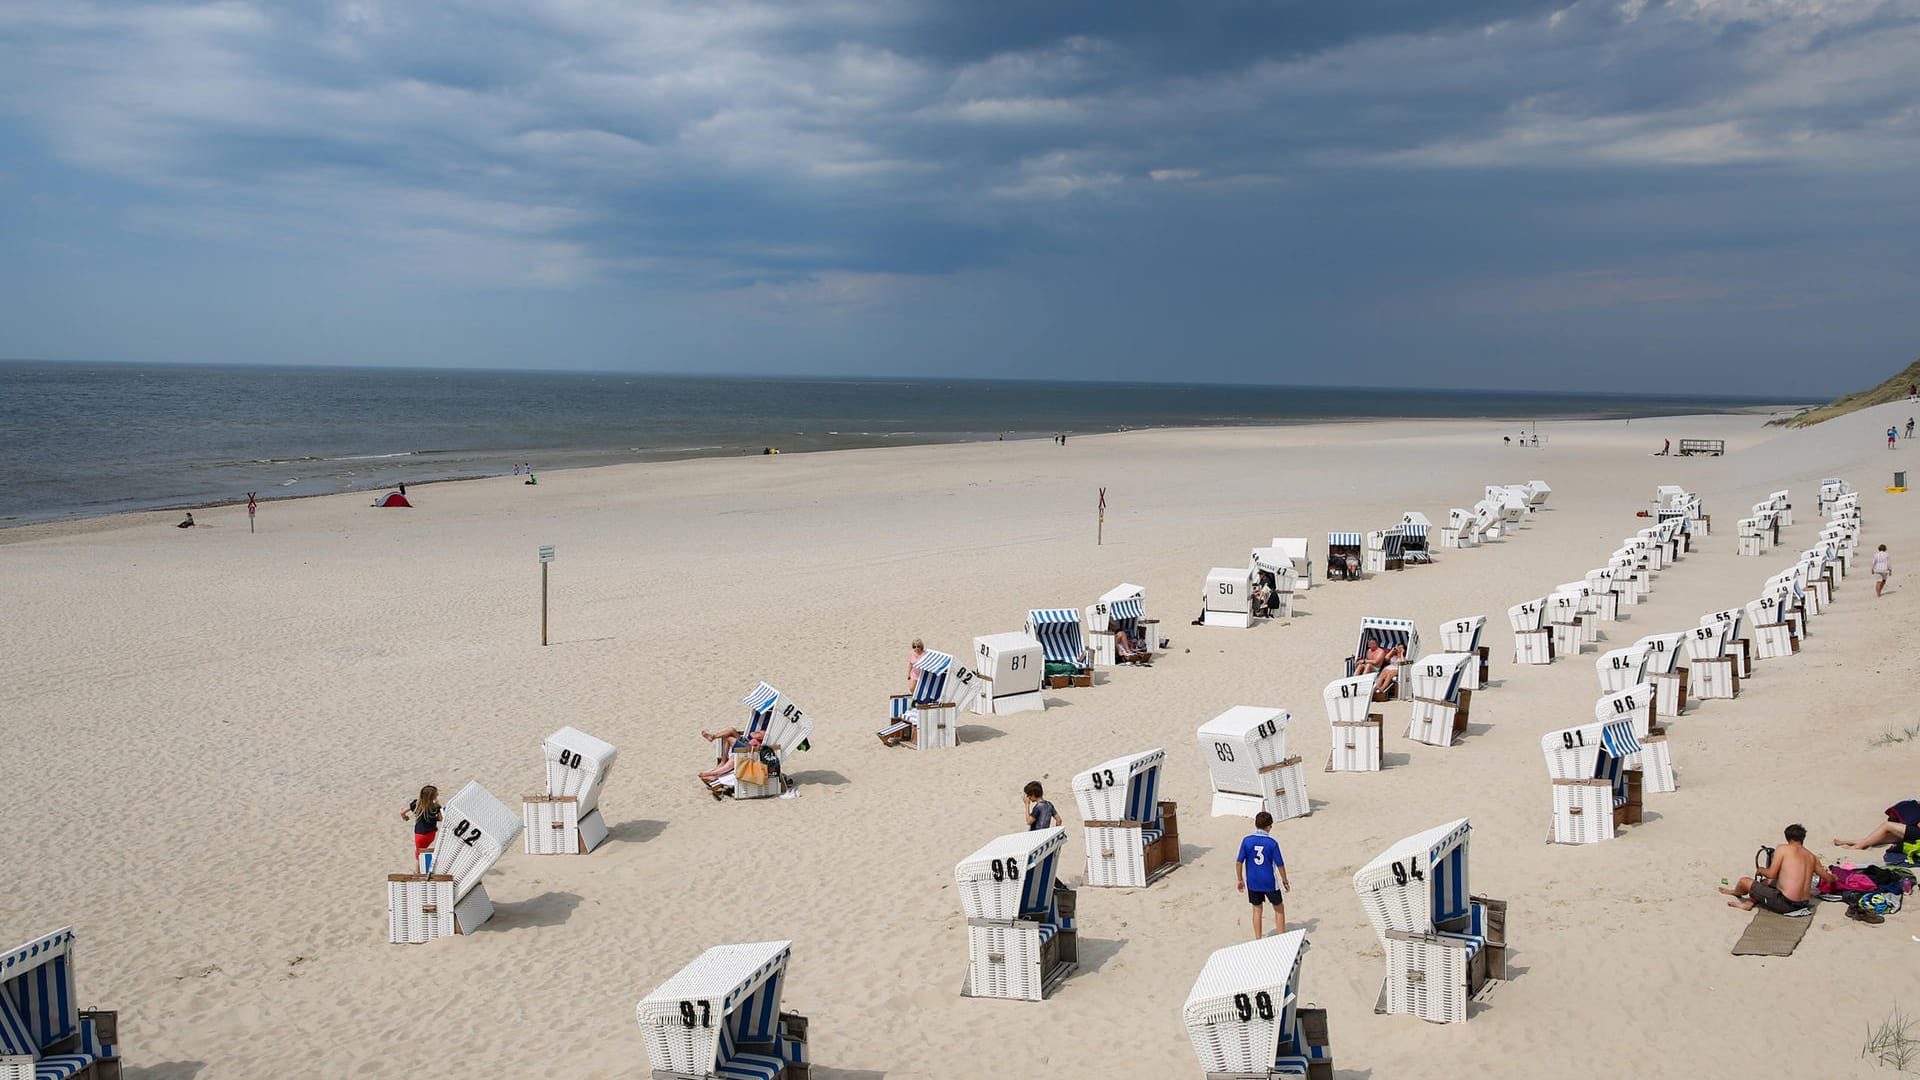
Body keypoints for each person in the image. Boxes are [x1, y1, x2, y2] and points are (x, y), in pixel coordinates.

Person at [1720, 824, 1834, 915]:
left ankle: (1735, 892)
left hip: (1785, 904)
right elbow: (1828, 878)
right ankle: (1748, 904)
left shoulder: (1783, 849)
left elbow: (1771, 874)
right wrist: (1835, 877)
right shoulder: (1811, 856)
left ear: (1787, 838)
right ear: (1803, 838)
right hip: (1804, 903)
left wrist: (1761, 870)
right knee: (1766, 883)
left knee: (1744, 881)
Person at [1236, 811, 1289, 938]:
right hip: (1269, 881)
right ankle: (1281, 936)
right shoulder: (1272, 843)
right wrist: (1285, 880)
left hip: (1253, 881)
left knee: (1257, 909)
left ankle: (1258, 938)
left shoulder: (1247, 841)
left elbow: (1239, 862)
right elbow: (1280, 864)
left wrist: (1240, 879)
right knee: (1279, 908)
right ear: (1268, 826)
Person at [401, 784, 441, 872]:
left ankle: (418, 874)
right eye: (436, 794)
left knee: (418, 855)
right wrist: (433, 817)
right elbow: (440, 818)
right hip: (431, 835)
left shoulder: (417, 804)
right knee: (422, 852)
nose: (438, 795)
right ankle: (424, 868)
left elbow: (403, 812)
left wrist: (405, 817)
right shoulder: (436, 806)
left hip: (420, 835)